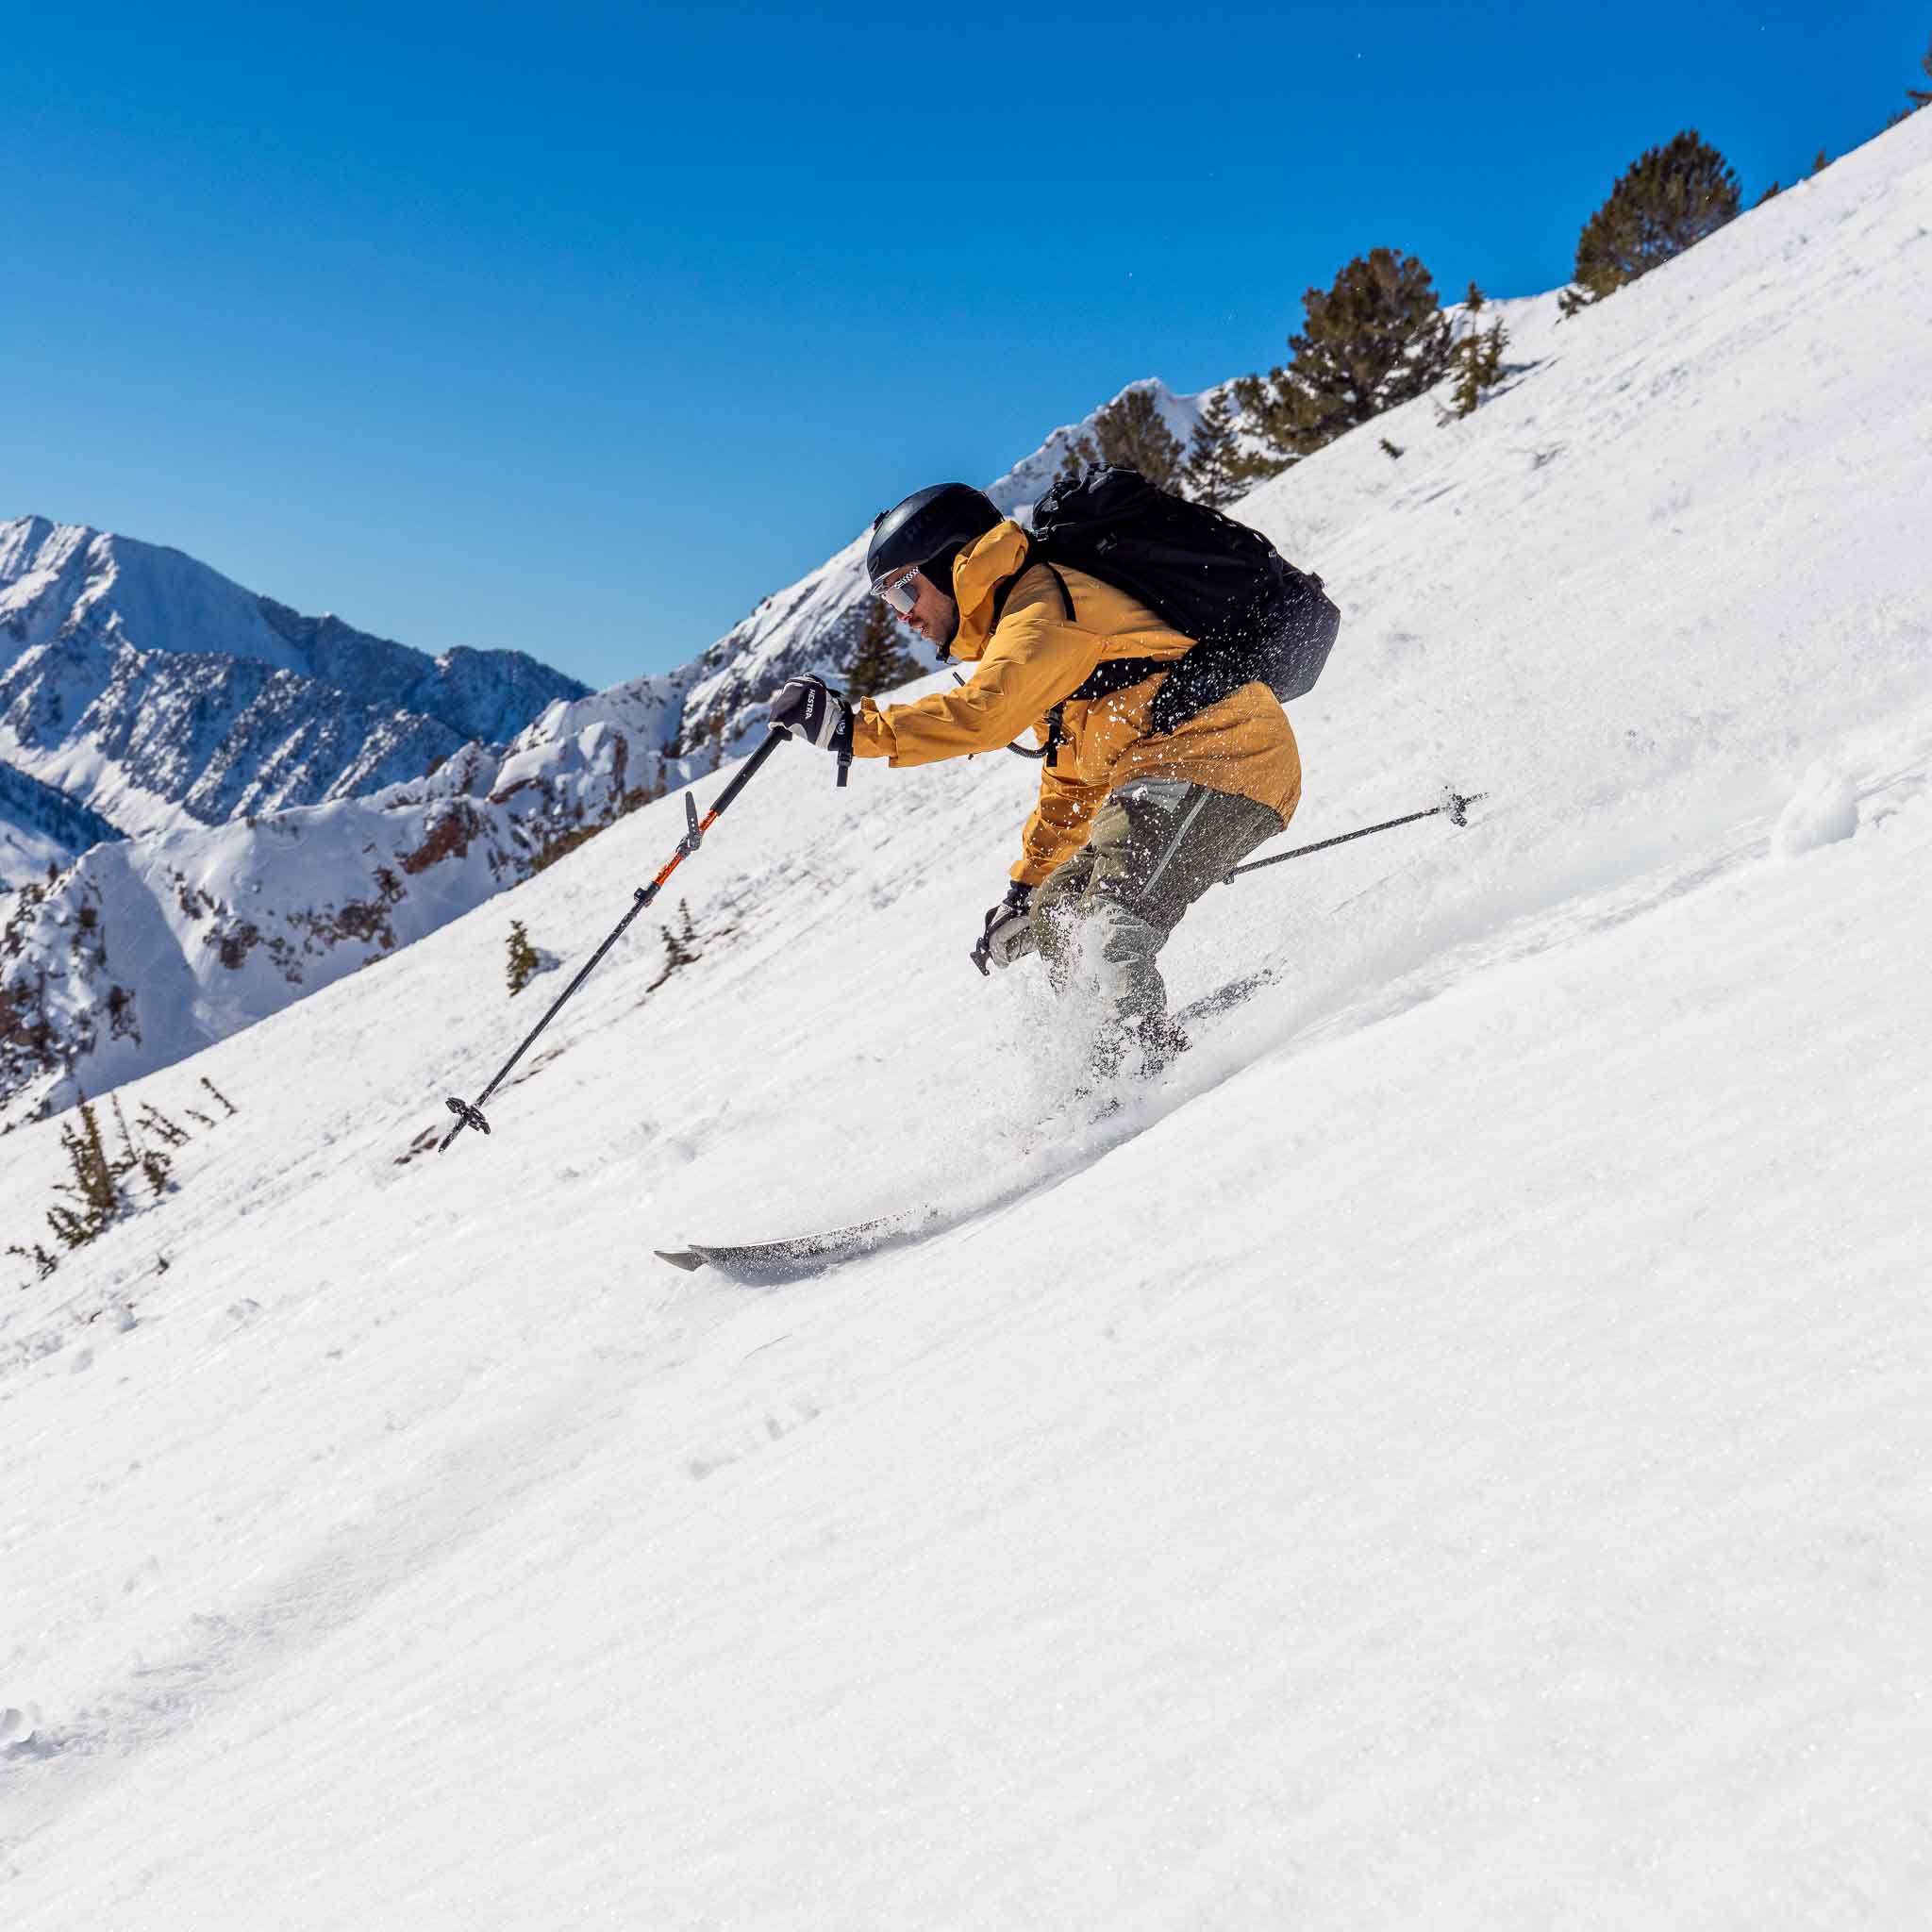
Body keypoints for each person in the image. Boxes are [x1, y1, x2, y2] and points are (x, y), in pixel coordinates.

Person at [768, 482, 1301, 1077]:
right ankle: (1099, 1075)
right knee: (1058, 916)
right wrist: (1027, 888)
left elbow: (981, 716)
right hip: (1170, 771)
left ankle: (1148, 1079)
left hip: (1225, 761)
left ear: (952, 564)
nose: (907, 617)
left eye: (904, 590)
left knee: (1106, 929)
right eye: (892, 604)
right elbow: (1074, 782)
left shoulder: (1043, 611)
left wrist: (850, 729)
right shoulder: (1027, 619)